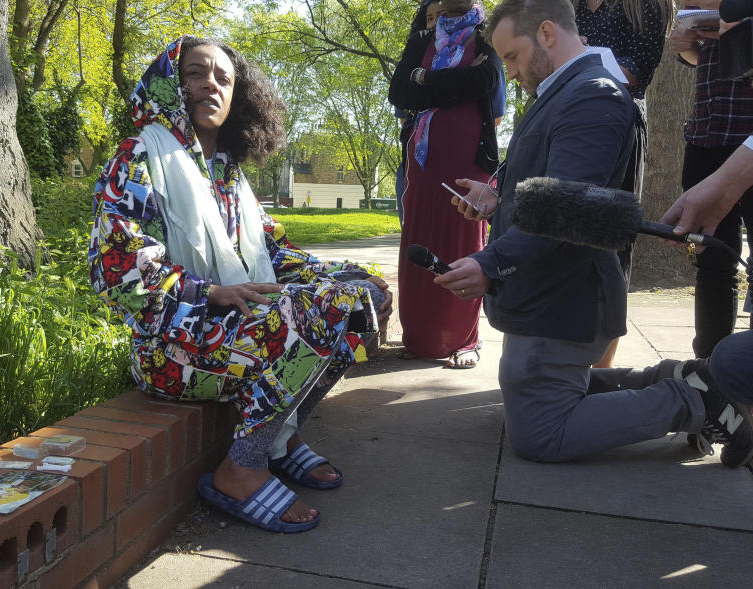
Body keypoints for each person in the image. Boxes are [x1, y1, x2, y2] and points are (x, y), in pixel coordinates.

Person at [88, 36, 392, 532]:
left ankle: (281, 438)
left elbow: (276, 254)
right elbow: (116, 269)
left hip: (241, 330)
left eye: (224, 78)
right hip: (171, 348)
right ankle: (241, 471)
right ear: (170, 83)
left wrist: (347, 276)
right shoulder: (138, 158)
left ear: (239, 98)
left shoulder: (230, 176)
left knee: (363, 300)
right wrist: (208, 292)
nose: (211, 83)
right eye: (195, 73)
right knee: (316, 313)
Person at [434, 0, 753, 466]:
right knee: (526, 395)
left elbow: (565, 208)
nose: (512, 72)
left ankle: (704, 403)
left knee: (540, 433)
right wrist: (496, 197)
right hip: (550, 290)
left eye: (513, 57)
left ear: (546, 33)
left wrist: (489, 262)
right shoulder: (569, 90)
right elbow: (553, 190)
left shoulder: (592, 96)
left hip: (564, 297)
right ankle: (683, 378)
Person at [388, 0, 503, 368]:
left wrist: (425, 80)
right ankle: (420, 337)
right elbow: (399, 93)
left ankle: (464, 339)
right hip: (422, 159)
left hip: (468, 153)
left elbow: (485, 81)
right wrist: (456, 81)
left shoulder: (489, 33)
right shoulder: (421, 36)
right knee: (419, 234)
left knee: (463, 237)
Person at [571, 0, 673, 368]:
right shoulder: (568, 5)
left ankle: (600, 369)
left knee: (612, 245)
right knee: (565, 240)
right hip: (569, 123)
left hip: (619, 125)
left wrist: (578, 56)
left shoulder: (645, 4)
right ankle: (562, 361)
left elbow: (637, 73)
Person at [670, 2, 753, 359]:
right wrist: (687, 44)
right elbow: (699, 58)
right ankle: (709, 364)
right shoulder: (695, 10)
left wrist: (737, 31)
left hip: (748, 143)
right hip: (705, 140)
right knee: (712, 262)